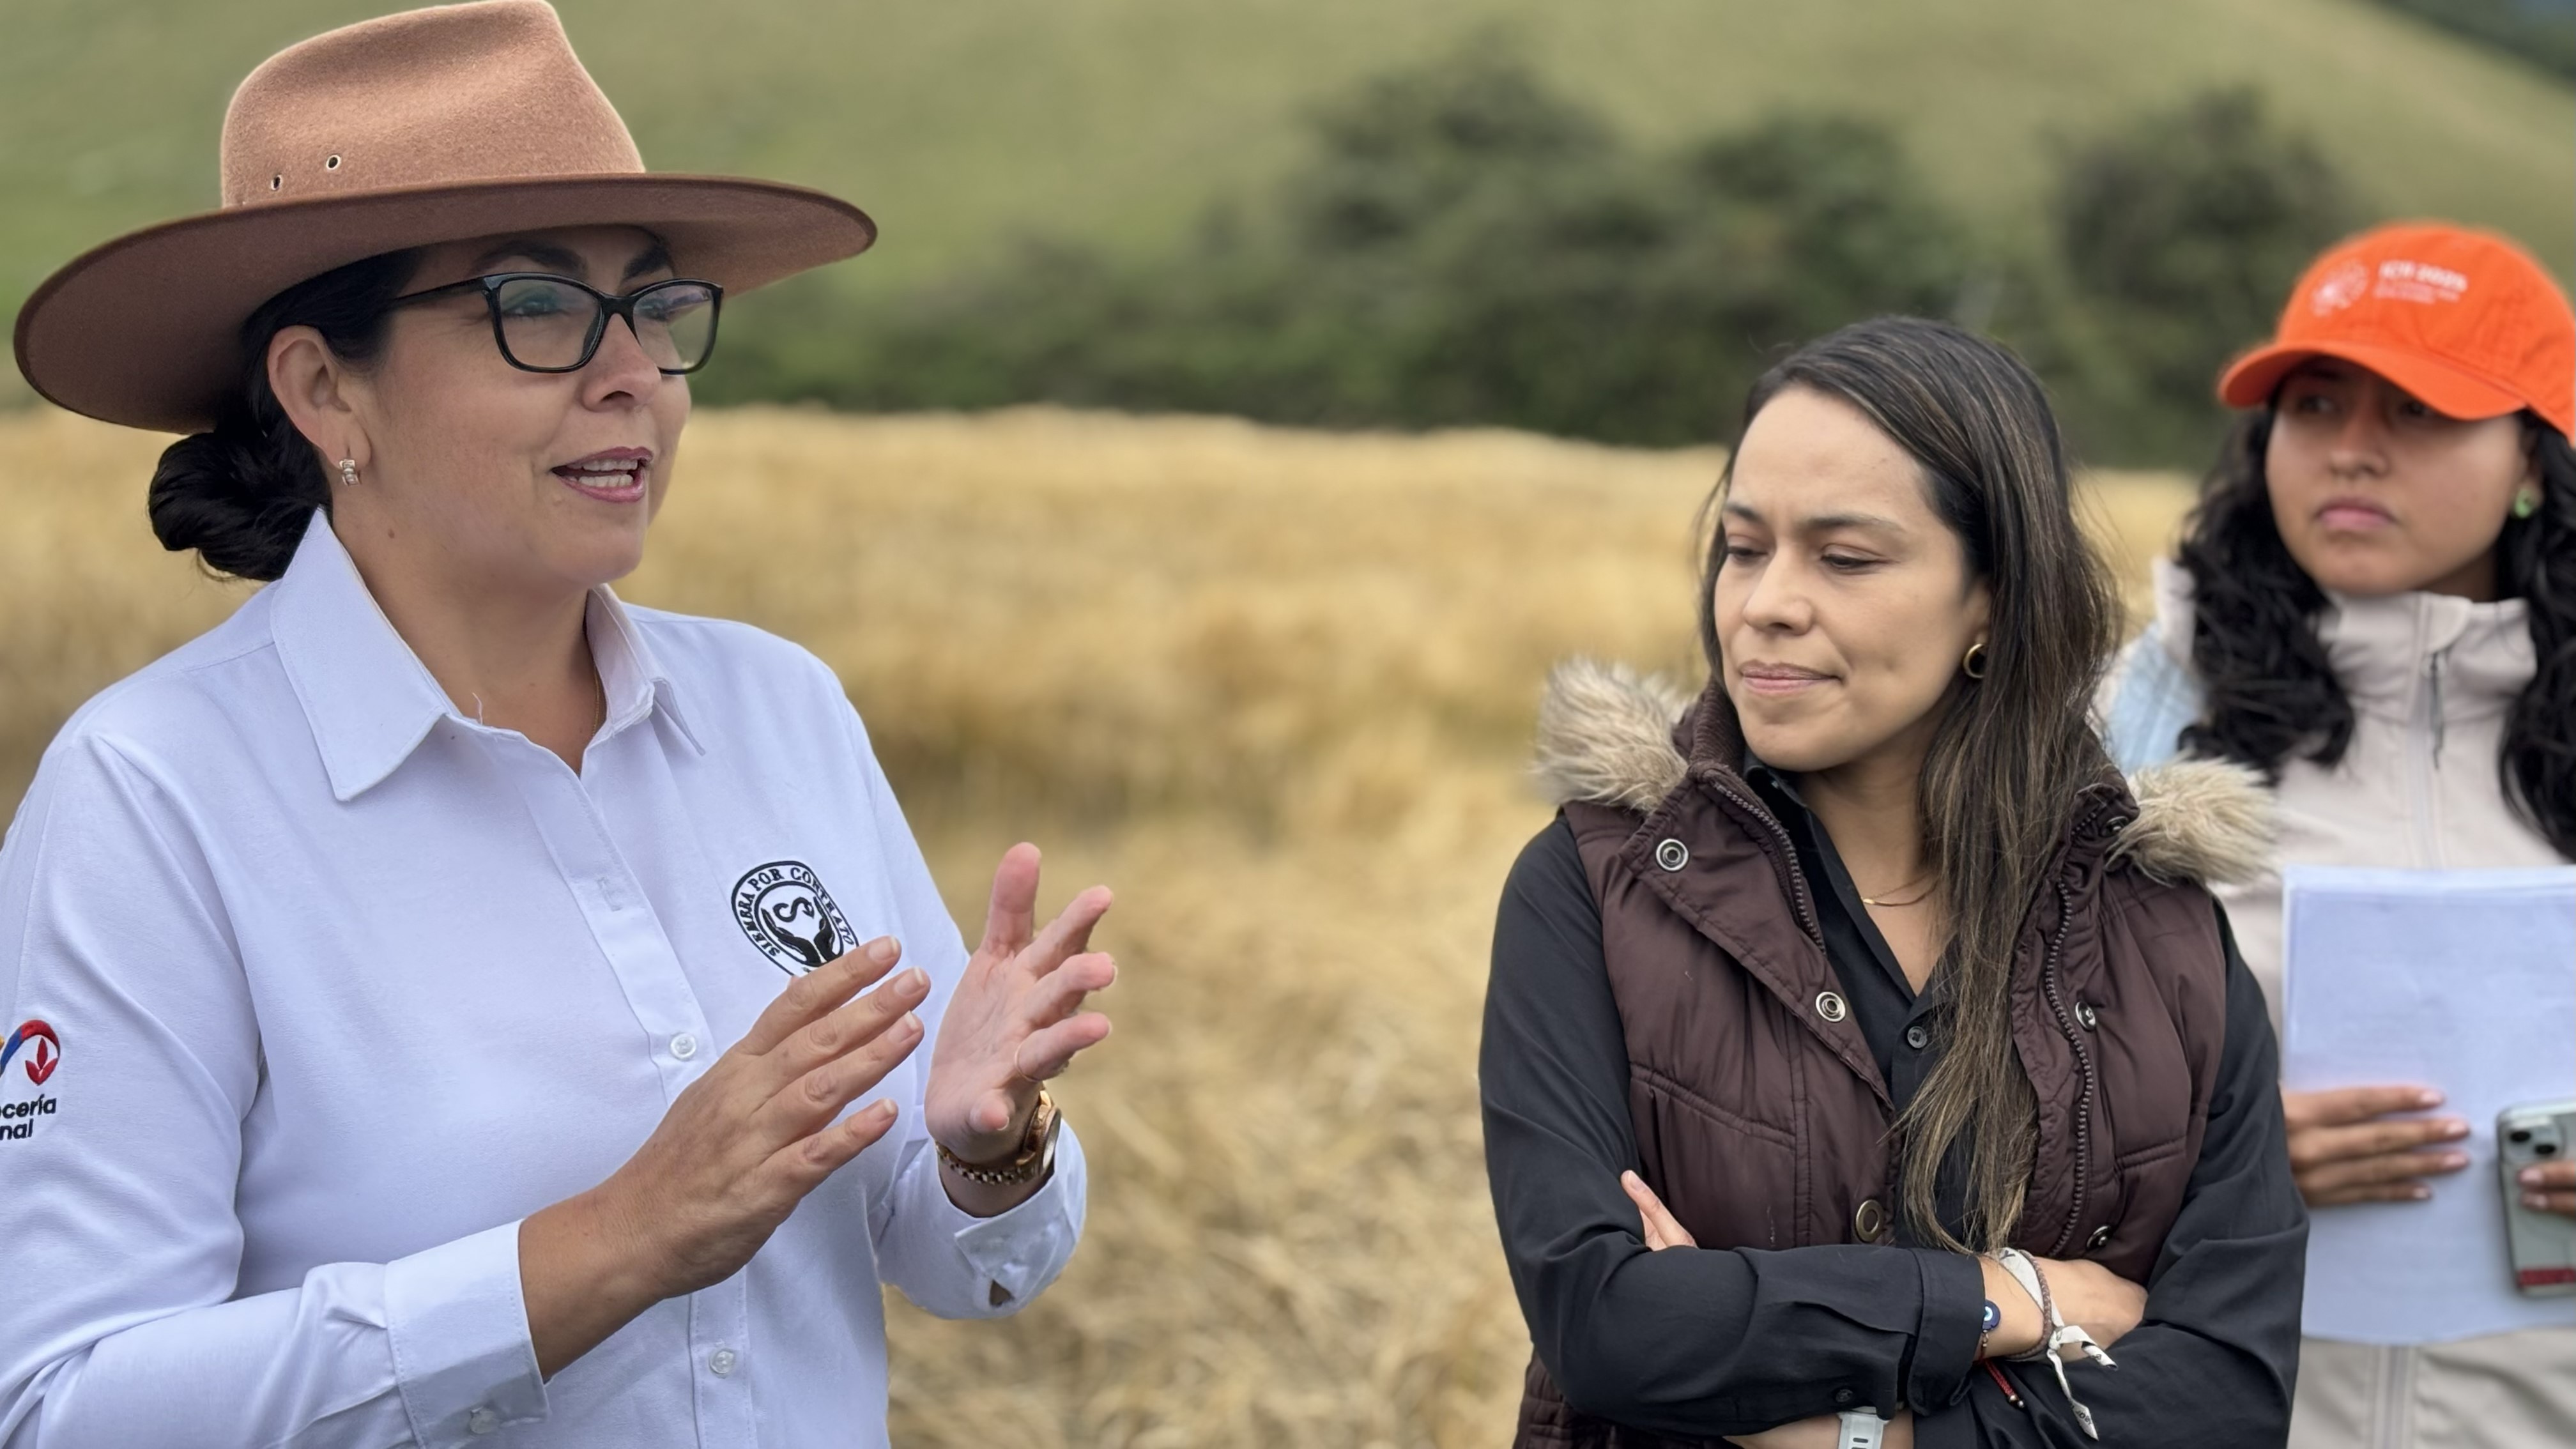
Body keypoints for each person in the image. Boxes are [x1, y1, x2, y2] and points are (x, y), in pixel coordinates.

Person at [0, 5, 1114, 1446]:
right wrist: (614, 1244)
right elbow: (68, 1405)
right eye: (536, 306)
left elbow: (946, 1253)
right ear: (324, 389)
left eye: (654, 307)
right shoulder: (153, 796)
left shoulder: (781, 709)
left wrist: (986, 1153)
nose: (635, 371)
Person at [1482, 316, 2305, 1448]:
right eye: (1742, 545)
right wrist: (2005, 1299)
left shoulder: (2163, 932)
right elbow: (1608, 1327)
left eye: (1846, 557)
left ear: (1994, 601)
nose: (1764, 601)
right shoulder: (1602, 888)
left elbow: (2227, 1395)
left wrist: (1860, 1438)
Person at [2098, 221, 2576, 1447]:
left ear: (2535, 454)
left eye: (2419, 410)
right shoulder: (2135, 723)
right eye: (2315, 404)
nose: (2353, 451)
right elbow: (1973, 1068)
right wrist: (2215, 1171)